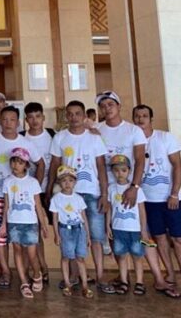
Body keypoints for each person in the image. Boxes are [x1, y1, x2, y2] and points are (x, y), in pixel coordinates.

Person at [132, 104, 181, 302]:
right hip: (148, 200)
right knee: (159, 238)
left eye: (144, 115)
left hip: (169, 198)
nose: (140, 119)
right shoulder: (134, 142)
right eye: (137, 116)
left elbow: (178, 165)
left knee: (179, 239)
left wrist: (174, 193)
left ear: (151, 118)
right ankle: (170, 274)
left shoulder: (165, 138)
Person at [47, 101, 112, 294]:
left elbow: (101, 167)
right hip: (68, 194)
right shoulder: (60, 137)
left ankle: (100, 275)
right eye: (70, 114)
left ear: (84, 116)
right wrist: (50, 189)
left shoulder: (94, 138)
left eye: (78, 113)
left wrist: (105, 194)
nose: (74, 117)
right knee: (70, 235)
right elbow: (54, 165)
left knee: (97, 236)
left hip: (92, 192)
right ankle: (74, 275)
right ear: (66, 116)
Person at [0, 105, 44, 289]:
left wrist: (35, 187)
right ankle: (6, 272)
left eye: (12, 119)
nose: (8, 123)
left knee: (21, 238)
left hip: (22, 199)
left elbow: (41, 163)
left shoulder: (26, 143)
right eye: (5, 119)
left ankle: (25, 272)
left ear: (18, 122)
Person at [0, 147, 48, 299]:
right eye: (14, 162)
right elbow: (6, 205)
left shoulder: (33, 182)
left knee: (32, 254)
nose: (16, 165)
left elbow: (38, 205)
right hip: (13, 221)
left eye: (20, 163)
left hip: (30, 223)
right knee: (18, 251)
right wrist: (3, 223)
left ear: (26, 165)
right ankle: (24, 282)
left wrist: (43, 225)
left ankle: (37, 274)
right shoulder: (8, 182)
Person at [19, 101, 54, 282]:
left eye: (38, 116)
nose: (34, 121)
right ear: (26, 120)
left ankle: (74, 271)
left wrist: (50, 188)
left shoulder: (53, 135)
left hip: (50, 189)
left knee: (61, 228)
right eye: (30, 117)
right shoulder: (21, 138)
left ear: (43, 117)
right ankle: (40, 266)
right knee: (35, 231)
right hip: (29, 192)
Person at [106, 154, 149, 295]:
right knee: (121, 256)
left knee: (137, 256)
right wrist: (108, 225)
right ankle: (124, 281)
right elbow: (110, 209)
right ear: (112, 172)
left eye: (123, 170)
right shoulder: (111, 189)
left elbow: (142, 211)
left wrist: (143, 230)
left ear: (129, 171)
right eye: (116, 170)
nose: (120, 173)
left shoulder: (137, 190)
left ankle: (139, 282)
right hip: (118, 229)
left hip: (135, 230)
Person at [49, 166, 93, 298]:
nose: (67, 183)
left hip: (79, 229)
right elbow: (55, 218)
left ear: (75, 182)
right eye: (64, 181)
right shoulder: (56, 198)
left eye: (70, 180)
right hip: (65, 230)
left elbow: (84, 217)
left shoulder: (78, 198)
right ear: (59, 183)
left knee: (80, 258)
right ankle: (67, 284)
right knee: (66, 257)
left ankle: (85, 285)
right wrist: (56, 234)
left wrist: (88, 235)